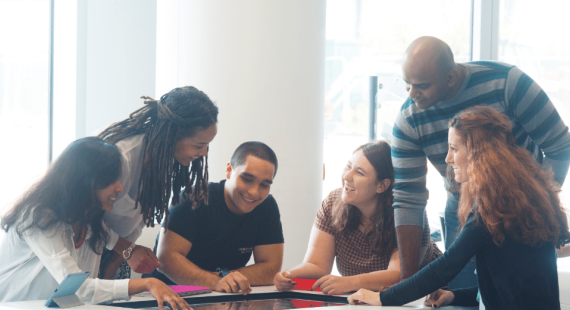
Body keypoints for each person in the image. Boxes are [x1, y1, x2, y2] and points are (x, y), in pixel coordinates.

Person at [348, 106, 570, 309]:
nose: (448, 158)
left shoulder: (492, 209)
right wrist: (455, 296)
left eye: (454, 148)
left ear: (478, 154)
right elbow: (512, 282)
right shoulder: (521, 199)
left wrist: (382, 298)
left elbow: (446, 265)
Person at [392, 36, 570, 288]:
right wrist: (405, 282)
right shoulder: (408, 120)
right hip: (463, 204)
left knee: (521, 291)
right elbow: (408, 198)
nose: (411, 94)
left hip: (521, 206)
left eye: (421, 85)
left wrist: (537, 204)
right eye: (407, 84)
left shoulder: (508, 83)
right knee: (460, 292)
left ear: (451, 78)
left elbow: (559, 146)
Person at [0, 137, 190, 310]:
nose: (120, 187)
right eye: (111, 180)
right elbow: (79, 287)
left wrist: (132, 252)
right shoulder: (38, 217)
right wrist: (149, 283)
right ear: (84, 182)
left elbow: (117, 244)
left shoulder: (89, 221)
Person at [273, 141, 442, 295]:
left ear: (382, 186)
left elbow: (399, 275)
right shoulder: (333, 202)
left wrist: (348, 283)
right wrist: (289, 274)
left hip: (429, 297)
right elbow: (317, 265)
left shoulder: (407, 212)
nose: (347, 176)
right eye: (348, 166)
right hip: (369, 301)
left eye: (359, 172)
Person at [96, 86, 218, 280]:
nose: (203, 153)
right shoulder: (122, 157)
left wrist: (116, 260)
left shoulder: (163, 162)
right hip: (75, 252)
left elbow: (136, 220)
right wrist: (127, 250)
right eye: (199, 145)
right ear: (172, 135)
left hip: (111, 255)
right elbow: (87, 220)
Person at [148, 142, 284, 295]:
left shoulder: (267, 206)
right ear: (229, 170)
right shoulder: (192, 198)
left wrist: (224, 278)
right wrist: (216, 281)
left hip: (220, 296)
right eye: (246, 179)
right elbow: (166, 260)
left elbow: (270, 269)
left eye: (264, 185)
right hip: (165, 294)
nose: (254, 192)